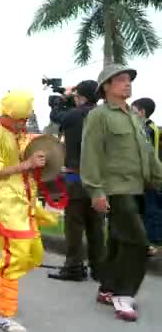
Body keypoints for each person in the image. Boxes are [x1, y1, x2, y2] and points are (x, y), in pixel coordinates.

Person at [81, 64, 162, 322]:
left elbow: (148, 155)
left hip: (139, 188)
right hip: (116, 190)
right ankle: (124, 295)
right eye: (121, 80)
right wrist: (95, 191)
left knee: (118, 242)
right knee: (138, 243)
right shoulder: (99, 116)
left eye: (129, 80)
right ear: (106, 86)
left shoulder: (135, 117)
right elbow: (90, 155)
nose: (127, 84)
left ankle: (107, 288)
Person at [0, 89, 58, 332]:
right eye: (20, 119)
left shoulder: (21, 135)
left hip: (26, 203)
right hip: (5, 205)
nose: (24, 123)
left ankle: (0, 280)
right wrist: (26, 164)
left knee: (35, 255)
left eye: (26, 119)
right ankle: (5, 314)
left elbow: (33, 163)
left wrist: (42, 161)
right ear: (8, 115)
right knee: (16, 258)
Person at [48, 80, 106, 282]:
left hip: (77, 178)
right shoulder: (102, 115)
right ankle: (99, 268)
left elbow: (55, 116)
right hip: (99, 181)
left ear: (81, 96)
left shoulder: (74, 115)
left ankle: (73, 267)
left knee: (74, 226)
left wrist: (60, 101)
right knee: (96, 227)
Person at [132, 97, 162, 255]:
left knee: (151, 212)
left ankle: (153, 243)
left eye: (134, 111)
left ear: (142, 112)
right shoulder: (149, 127)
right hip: (148, 176)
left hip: (148, 178)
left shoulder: (147, 129)